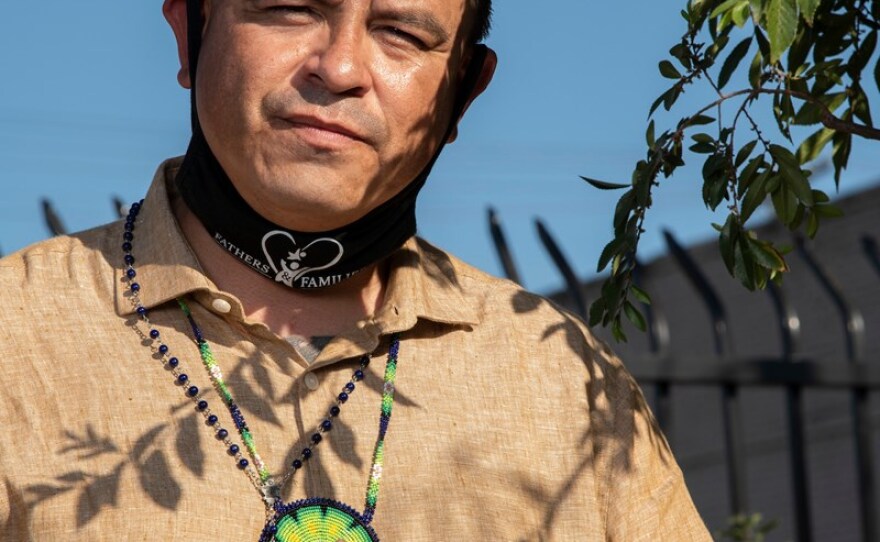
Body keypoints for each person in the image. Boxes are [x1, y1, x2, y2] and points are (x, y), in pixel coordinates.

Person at [0, 0, 711, 540]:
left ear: (465, 91)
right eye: (289, 9)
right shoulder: (16, 333)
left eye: (401, 33)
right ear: (190, 29)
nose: (338, 69)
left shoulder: (561, 378)